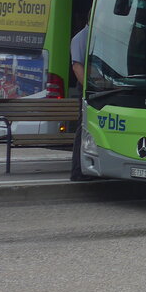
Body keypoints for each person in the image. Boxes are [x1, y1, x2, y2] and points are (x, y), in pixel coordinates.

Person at [69, 26, 93, 182]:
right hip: (88, 88)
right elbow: (77, 67)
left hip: (96, 86)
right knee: (83, 127)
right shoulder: (80, 38)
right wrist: (88, 89)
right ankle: (78, 170)